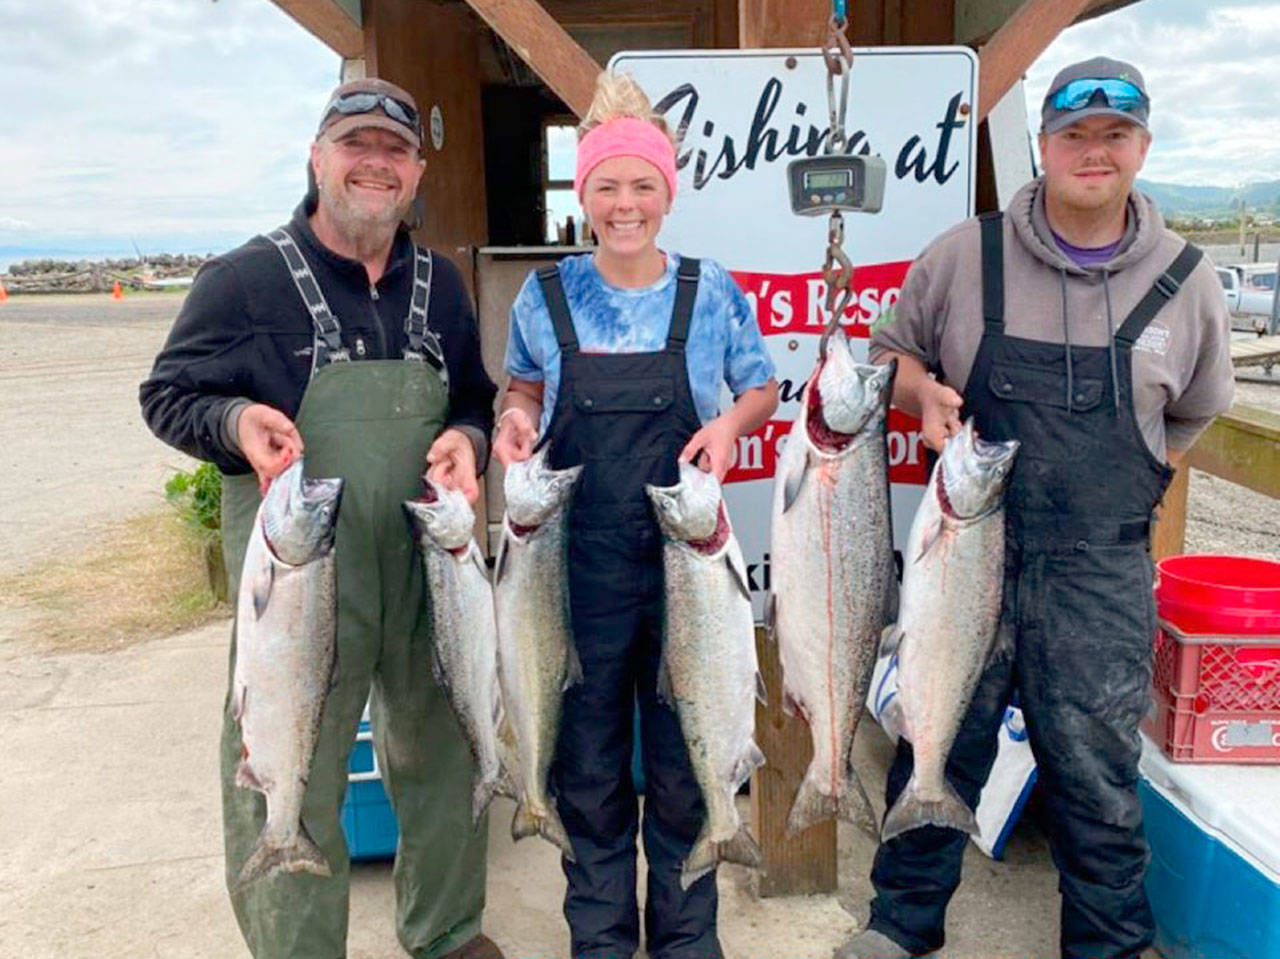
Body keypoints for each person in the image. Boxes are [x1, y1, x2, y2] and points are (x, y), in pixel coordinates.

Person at [838, 57, 1235, 959]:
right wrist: (921, 394)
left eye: (1115, 136)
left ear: (1142, 146)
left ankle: (1106, 946)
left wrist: (1134, 470)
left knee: (1097, 777)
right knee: (935, 739)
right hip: (967, 554)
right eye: (1074, 135)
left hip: (1100, 573)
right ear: (1042, 145)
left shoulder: (1188, 281)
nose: (1094, 152)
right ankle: (899, 927)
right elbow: (888, 360)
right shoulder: (963, 256)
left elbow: (1195, 410)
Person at [139, 78, 503, 959]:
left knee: (448, 753)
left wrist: (466, 437)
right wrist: (232, 423)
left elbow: (476, 399)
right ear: (318, 157)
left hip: (428, 575)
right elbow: (167, 395)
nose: (374, 164)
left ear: (416, 171)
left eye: (394, 151)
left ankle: (448, 933)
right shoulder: (244, 281)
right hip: (300, 592)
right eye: (355, 145)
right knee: (284, 768)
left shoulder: (441, 286)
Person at [491, 71, 778, 959]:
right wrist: (516, 417)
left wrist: (730, 425)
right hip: (576, 575)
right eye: (606, 186)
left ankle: (688, 941)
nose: (625, 205)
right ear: (584, 194)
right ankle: (602, 939)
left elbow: (761, 386)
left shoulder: (712, 290)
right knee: (588, 771)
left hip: (689, 568)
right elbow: (526, 385)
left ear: (669, 192)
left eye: (641, 186)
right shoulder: (545, 297)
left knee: (691, 763)